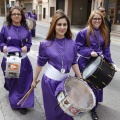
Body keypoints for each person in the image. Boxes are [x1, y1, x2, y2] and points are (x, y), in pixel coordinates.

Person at [31, 12, 82, 120]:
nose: (62, 27)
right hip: (49, 83)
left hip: (66, 83)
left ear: (68, 26)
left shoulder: (72, 43)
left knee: (66, 110)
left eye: (65, 24)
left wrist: (80, 78)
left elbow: (74, 61)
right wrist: (34, 80)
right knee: (53, 111)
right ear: (53, 25)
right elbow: (40, 64)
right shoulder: (45, 44)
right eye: (59, 24)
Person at [75, 10, 114, 120]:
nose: (97, 20)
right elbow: (78, 47)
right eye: (95, 18)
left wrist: (110, 63)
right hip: (85, 63)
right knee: (85, 86)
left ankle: (93, 109)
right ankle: (81, 104)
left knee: (96, 86)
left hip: (98, 64)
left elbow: (106, 49)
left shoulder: (104, 32)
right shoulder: (83, 32)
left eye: (99, 19)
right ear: (90, 20)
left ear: (102, 20)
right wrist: (89, 52)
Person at [0, 6, 34, 115]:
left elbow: (29, 43)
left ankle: (22, 103)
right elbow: (1, 41)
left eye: (18, 14)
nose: (16, 16)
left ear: (22, 16)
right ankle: (13, 96)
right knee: (13, 81)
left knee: (23, 82)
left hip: (23, 60)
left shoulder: (26, 29)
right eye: (14, 14)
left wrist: (27, 47)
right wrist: (3, 46)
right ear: (10, 16)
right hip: (10, 61)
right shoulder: (5, 28)